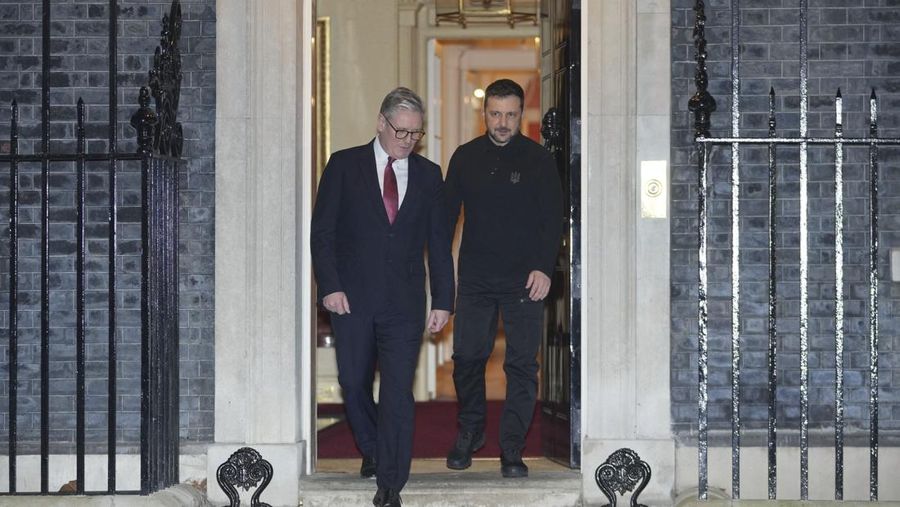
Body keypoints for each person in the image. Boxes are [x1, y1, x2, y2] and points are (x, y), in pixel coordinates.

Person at [311, 87, 454, 507]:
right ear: (381, 122)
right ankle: (372, 446)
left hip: (404, 304)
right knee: (353, 384)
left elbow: (439, 243)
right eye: (401, 131)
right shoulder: (343, 165)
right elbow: (323, 234)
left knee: (397, 392)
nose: (408, 141)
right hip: (351, 299)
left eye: (415, 134)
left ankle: (390, 483)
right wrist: (330, 286)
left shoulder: (429, 175)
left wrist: (443, 299)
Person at [444, 79, 563, 478]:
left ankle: (512, 448)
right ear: (485, 114)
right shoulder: (464, 158)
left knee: (521, 365)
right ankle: (471, 429)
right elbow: (446, 218)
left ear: (521, 114)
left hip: (524, 280)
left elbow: (552, 219)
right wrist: (438, 271)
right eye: (496, 114)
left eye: (511, 115)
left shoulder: (539, 160)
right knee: (466, 358)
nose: (503, 122)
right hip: (476, 277)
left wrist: (544, 267)